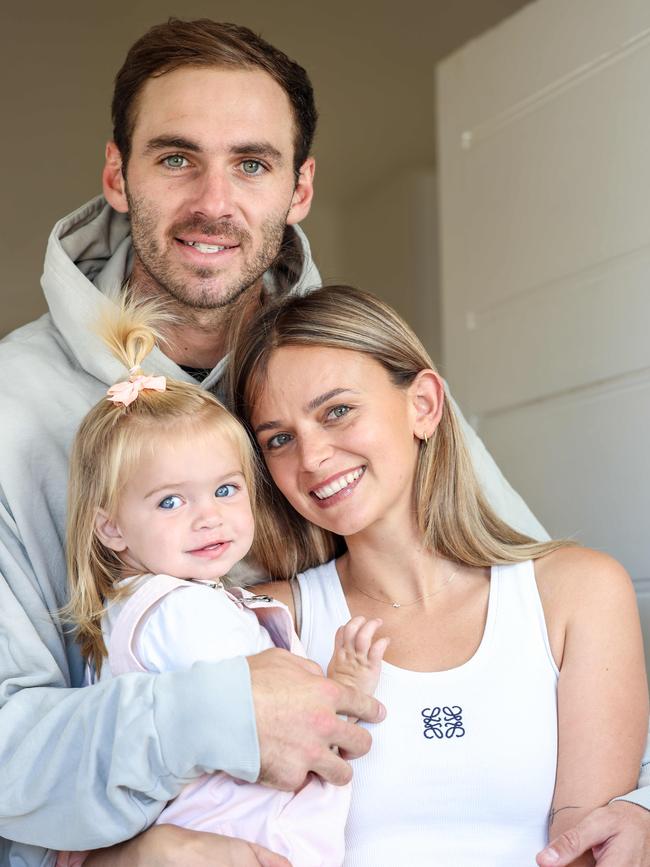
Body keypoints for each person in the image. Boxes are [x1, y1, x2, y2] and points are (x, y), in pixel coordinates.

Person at [0, 15, 615, 867]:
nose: (214, 202)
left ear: (299, 189)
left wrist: (632, 802)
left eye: (252, 163)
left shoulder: (365, 380)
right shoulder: (11, 411)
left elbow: (535, 618)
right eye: (176, 157)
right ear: (118, 173)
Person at [225, 284, 650, 866]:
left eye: (338, 411)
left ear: (423, 404)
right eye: (279, 439)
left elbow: (585, 844)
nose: (313, 457)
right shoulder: (260, 621)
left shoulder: (579, 594)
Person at [56, 298, 387, 867]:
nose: (208, 516)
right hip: (243, 842)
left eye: (226, 490)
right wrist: (340, 687)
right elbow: (277, 719)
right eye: (170, 500)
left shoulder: (164, 605)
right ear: (110, 527)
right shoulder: (183, 614)